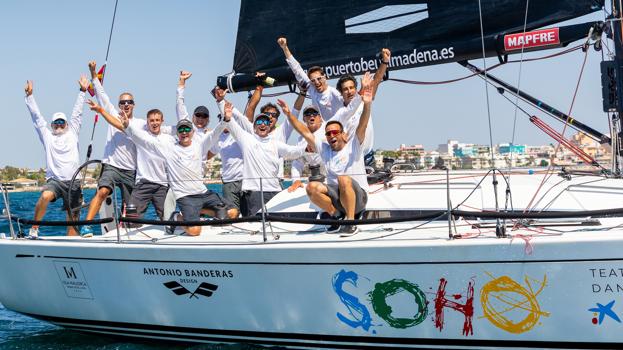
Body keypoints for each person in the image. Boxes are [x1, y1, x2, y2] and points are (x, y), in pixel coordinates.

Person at [92, 100, 237, 236]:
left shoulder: (199, 145)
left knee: (232, 212)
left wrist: (226, 119)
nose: (184, 132)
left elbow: (215, 134)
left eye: (187, 129)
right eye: (181, 129)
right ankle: (177, 218)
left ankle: (199, 211)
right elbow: (142, 140)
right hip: (180, 194)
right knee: (194, 231)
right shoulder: (169, 147)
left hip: (202, 192)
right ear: (177, 133)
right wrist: (127, 126)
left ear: (192, 132)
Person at [282, 72, 373, 236]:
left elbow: (363, 124)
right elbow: (305, 132)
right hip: (337, 198)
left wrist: (366, 104)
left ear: (343, 134)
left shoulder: (354, 145)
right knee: (312, 187)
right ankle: (336, 215)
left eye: (335, 132)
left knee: (344, 179)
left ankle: (350, 222)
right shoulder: (324, 149)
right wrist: (289, 115)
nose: (332, 136)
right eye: (328, 134)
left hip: (358, 198)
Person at [24, 77, 88, 238]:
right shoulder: (47, 136)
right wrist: (30, 96)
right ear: (52, 125)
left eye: (62, 123)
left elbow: (77, 113)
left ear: (66, 124)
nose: (59, 125)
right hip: (55, 181)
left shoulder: (73, 132)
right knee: (45, 195)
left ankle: (71, 249)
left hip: (74, 182)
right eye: (56, 123)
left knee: (72, 222)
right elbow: (37, 118)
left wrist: (82, 91)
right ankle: (35, 227)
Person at [80, 60, 137, 237]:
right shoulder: (112, 113)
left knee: (132, 209)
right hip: (112, 166)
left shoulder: (140, 125)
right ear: (119, 105)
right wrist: (93, 73)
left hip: (131, 170)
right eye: (122, 103)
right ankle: (87, 226)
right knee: (103, 191)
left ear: (133, 105)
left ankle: (130, 230)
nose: (125, 105)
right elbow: (102, 94)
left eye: (129, 102)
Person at [86, 101, 171, 220]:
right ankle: (87, 224)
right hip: (143, 184)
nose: (155, 123)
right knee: (131, 217)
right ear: (147, 122)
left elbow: (184, 130)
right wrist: (101, 110)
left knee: (167, 218)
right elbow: (120, 125)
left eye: (157, 120)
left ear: (162, 121)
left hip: (161, 184)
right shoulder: (140, 135)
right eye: (151, 120)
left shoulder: (169, 138)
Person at [221, 101, 306, 216]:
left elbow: (293, 152)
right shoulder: (246, 139)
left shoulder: (275, 143)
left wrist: (309, 145)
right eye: (259, 121)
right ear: (254, 126)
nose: (263, 124)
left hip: (275, 190)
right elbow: (231, 124)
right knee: (257, 225)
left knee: (278, 223)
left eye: (266, 122)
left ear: (269, 125)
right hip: (255, 192)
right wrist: (225, 110)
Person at [332, 48, 391, 156]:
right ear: (340, 92)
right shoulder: (340, 112)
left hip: (368, 156)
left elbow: (377, 79)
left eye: (351, 88)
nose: (349, 91)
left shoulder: (364, 100)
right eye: (345, 89)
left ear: (355, 89)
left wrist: (385, 61)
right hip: (351, 157)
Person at [278, 37, 344, 120]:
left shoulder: (334, 93)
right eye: (313, 80)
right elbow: (296, 69)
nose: (316, 82)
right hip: (322, 130)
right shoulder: (312, 89)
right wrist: (285, 47)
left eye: (319, 79)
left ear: (325, 77)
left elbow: (350, 105)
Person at [288, 105, 326, 192]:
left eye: (314, 113)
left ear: (320, 118)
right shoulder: (301, 139)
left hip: (332, 177)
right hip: (315, 179)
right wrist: (296, 180)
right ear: (304, 119)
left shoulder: (328, 131)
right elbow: (297, 162)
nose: (311, 116)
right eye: (308, 114)